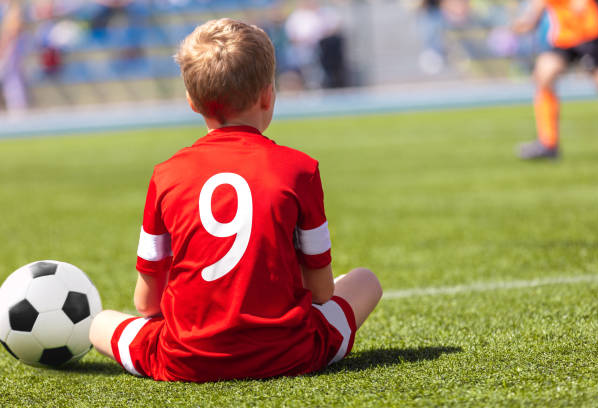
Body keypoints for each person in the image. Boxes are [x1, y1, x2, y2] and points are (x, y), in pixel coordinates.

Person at [89, 18, 382, 383]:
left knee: (99, 322)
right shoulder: (300, 169)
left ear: (192, 102)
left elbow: (146, 305)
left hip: (185, 361)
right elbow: (321, 292)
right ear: (267, 94)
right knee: (366, 281)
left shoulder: (165, 175)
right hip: (292, 354)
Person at [513, 0, 598, 159]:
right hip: (563, 39)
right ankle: (548, 143)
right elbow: (538, 8)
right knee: (543, 75)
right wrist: (527, 22)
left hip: (588, 34)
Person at [0, 0, 27, 113]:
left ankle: (18, 112)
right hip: (7, 48)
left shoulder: (12, 7)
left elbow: (12, 28)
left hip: (10, 49)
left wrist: (2, 48)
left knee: (12, 81)